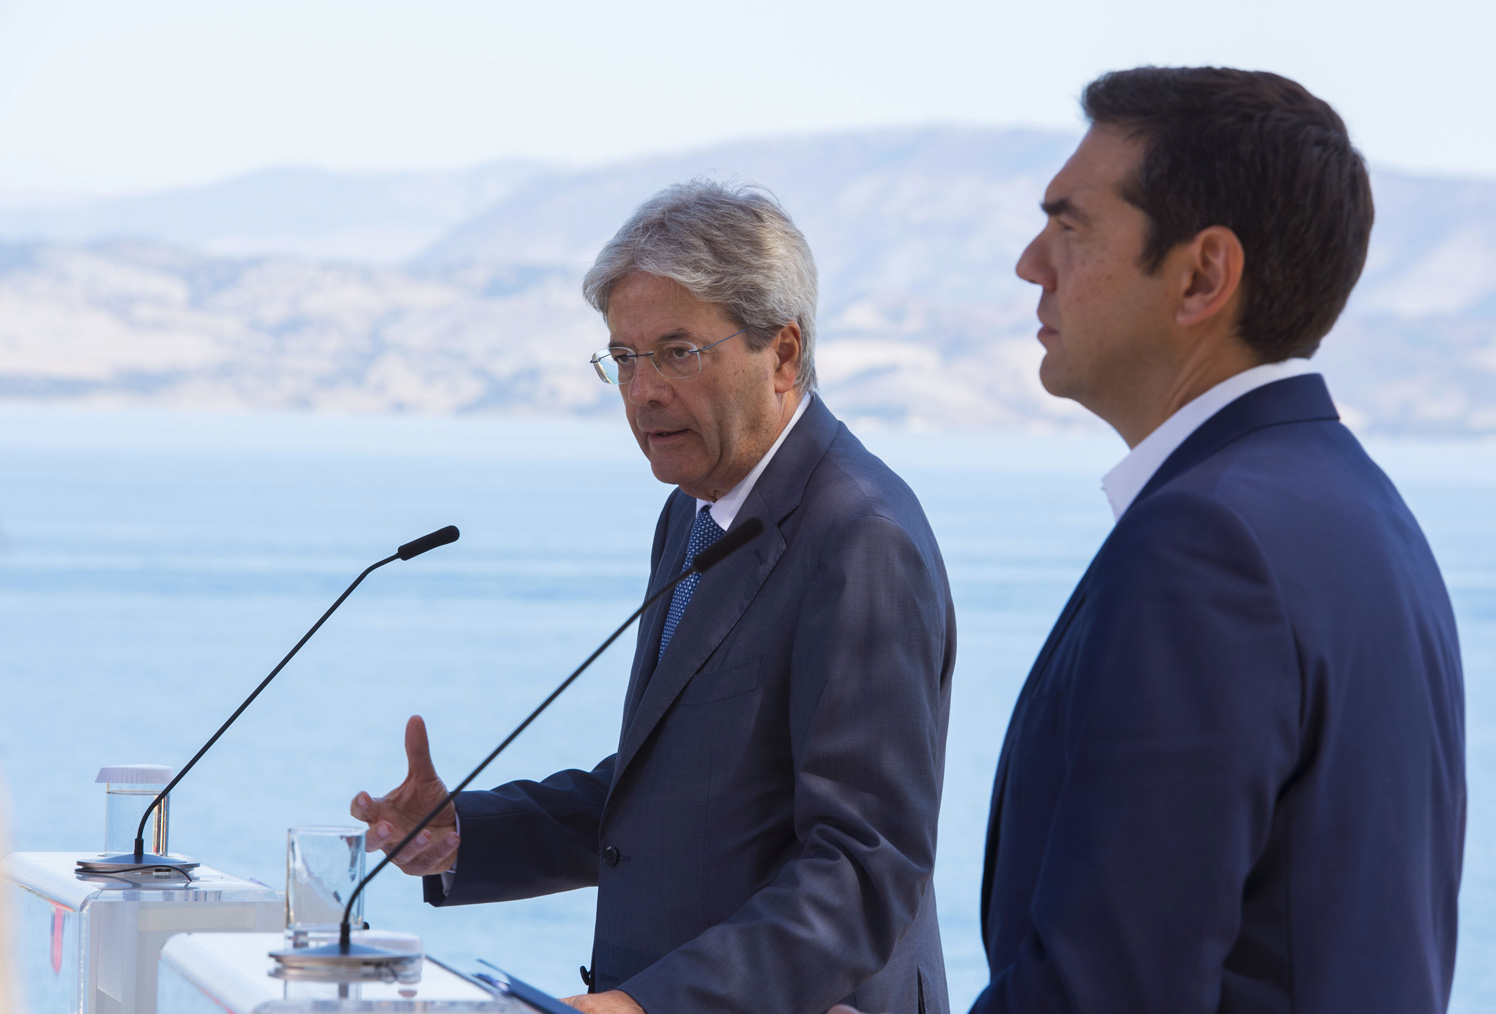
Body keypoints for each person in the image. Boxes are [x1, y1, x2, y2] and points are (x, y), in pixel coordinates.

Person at [351, 180, 957, 1014]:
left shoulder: (860, 539)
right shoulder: (694, 513)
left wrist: (651, 1005)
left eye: (679, 352)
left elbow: (861, 870)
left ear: (782, 353)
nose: (644, 392)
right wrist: (466, 834)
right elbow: (667, 795)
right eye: (626, 358)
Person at [955, 66, 1465, 1012]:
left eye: (1071, 228)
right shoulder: (1364, 513)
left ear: (1201, 276)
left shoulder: (1204, 545)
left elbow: (1110, 994)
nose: (1032, 262)